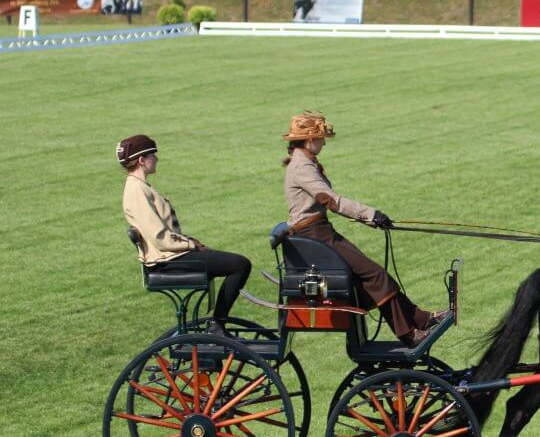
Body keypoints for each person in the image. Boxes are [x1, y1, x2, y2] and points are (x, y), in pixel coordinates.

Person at [281, 112, 448, 347]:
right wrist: (370, 215)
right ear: (309, 139)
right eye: (321, 138)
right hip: (315, 236)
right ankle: (408, 335)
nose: (324, 142)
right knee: (376, 275)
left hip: (320, 232)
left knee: (375, 275)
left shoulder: (303, 162)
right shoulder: (302, 167)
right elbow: (332, 201)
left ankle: (420, 319)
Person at [119, 134, 251, 335]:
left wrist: (192, 243)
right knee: (240, 265)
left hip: (170, 254)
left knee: (230, 261)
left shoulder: (139, 187)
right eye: (153, 155)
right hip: (167, 259)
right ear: (141, 160)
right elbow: (160, 237)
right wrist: (192, 245)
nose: (157, 159)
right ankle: (217, 324)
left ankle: (217, 323)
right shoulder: (137, 190)